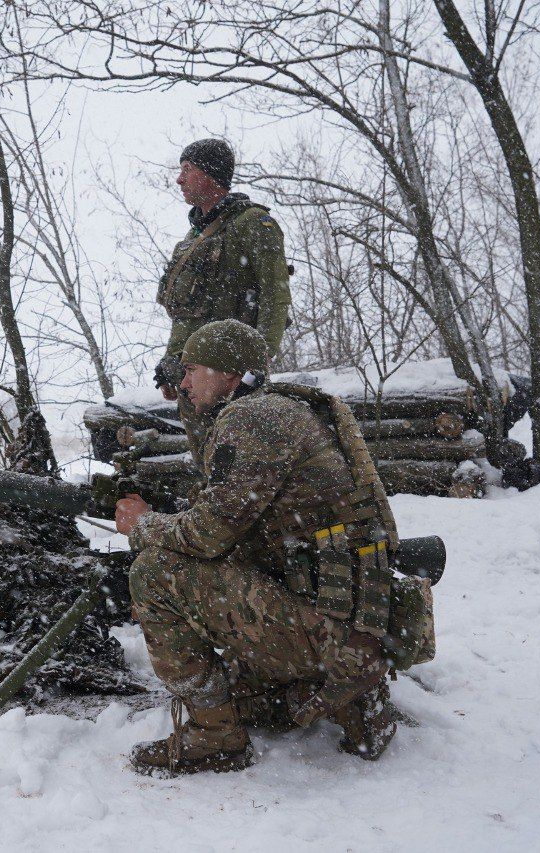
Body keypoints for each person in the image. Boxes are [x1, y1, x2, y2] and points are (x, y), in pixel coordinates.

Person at [116, 320, 403, 777]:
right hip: (353, 622)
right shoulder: (282, 410)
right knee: (250, 691)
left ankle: (216, 738)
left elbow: (209, 535)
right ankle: (348, 697)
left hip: (332, 633)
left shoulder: (252, 418)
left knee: (154, 572)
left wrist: (142, 524)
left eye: (192, 370)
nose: (183, 382)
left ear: (229, 373)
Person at [154, 139, 292, 453]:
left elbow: (276, 296)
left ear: (211, 174)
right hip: (196, 380)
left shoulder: (253, 223)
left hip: (233, 376)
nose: (179, 179)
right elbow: (188, 315)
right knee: (207, 460)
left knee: (245, 459)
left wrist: (259, 365)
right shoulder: (192, 241)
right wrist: (172, 362)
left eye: (187, 170)